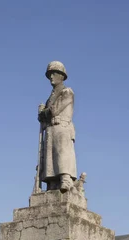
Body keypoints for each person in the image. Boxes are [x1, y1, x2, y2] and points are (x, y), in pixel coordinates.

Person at [38, 61, 77, 192]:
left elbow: (54, 110)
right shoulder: (51, 97)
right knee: (50, 158)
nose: (51, 77)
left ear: (61, 75)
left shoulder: (67, 92)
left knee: (62, 154)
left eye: (54, 73)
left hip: (62, 126)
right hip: (51, 128)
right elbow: (44, 116)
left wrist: (44, 112)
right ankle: (53, 182)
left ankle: (65, 180)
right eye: (50, 74)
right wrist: (42, 114)